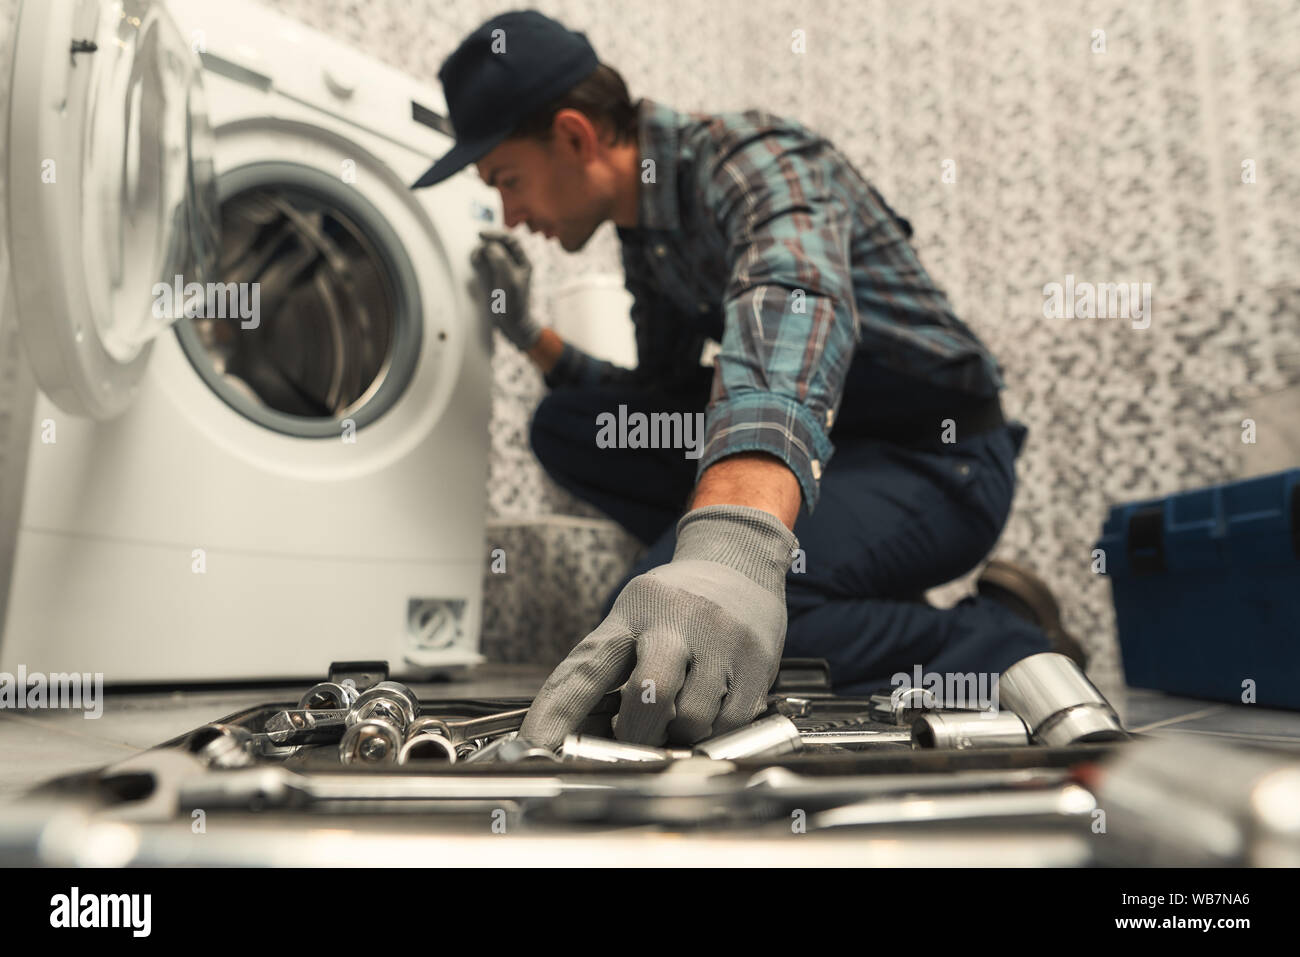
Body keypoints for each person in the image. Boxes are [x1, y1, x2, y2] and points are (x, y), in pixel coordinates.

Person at [411, 10, 1085, 751]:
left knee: (669, 647)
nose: (510, 214)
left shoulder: (754, 155)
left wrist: (733, 544)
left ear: (575, 135)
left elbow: (792, 304)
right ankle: (831, 581)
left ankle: (1005, 636)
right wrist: (531, 336)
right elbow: (660, 402)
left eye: (507, 180)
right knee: (568, 424)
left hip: (938, 460)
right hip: (836, 462)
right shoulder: (647, 239)